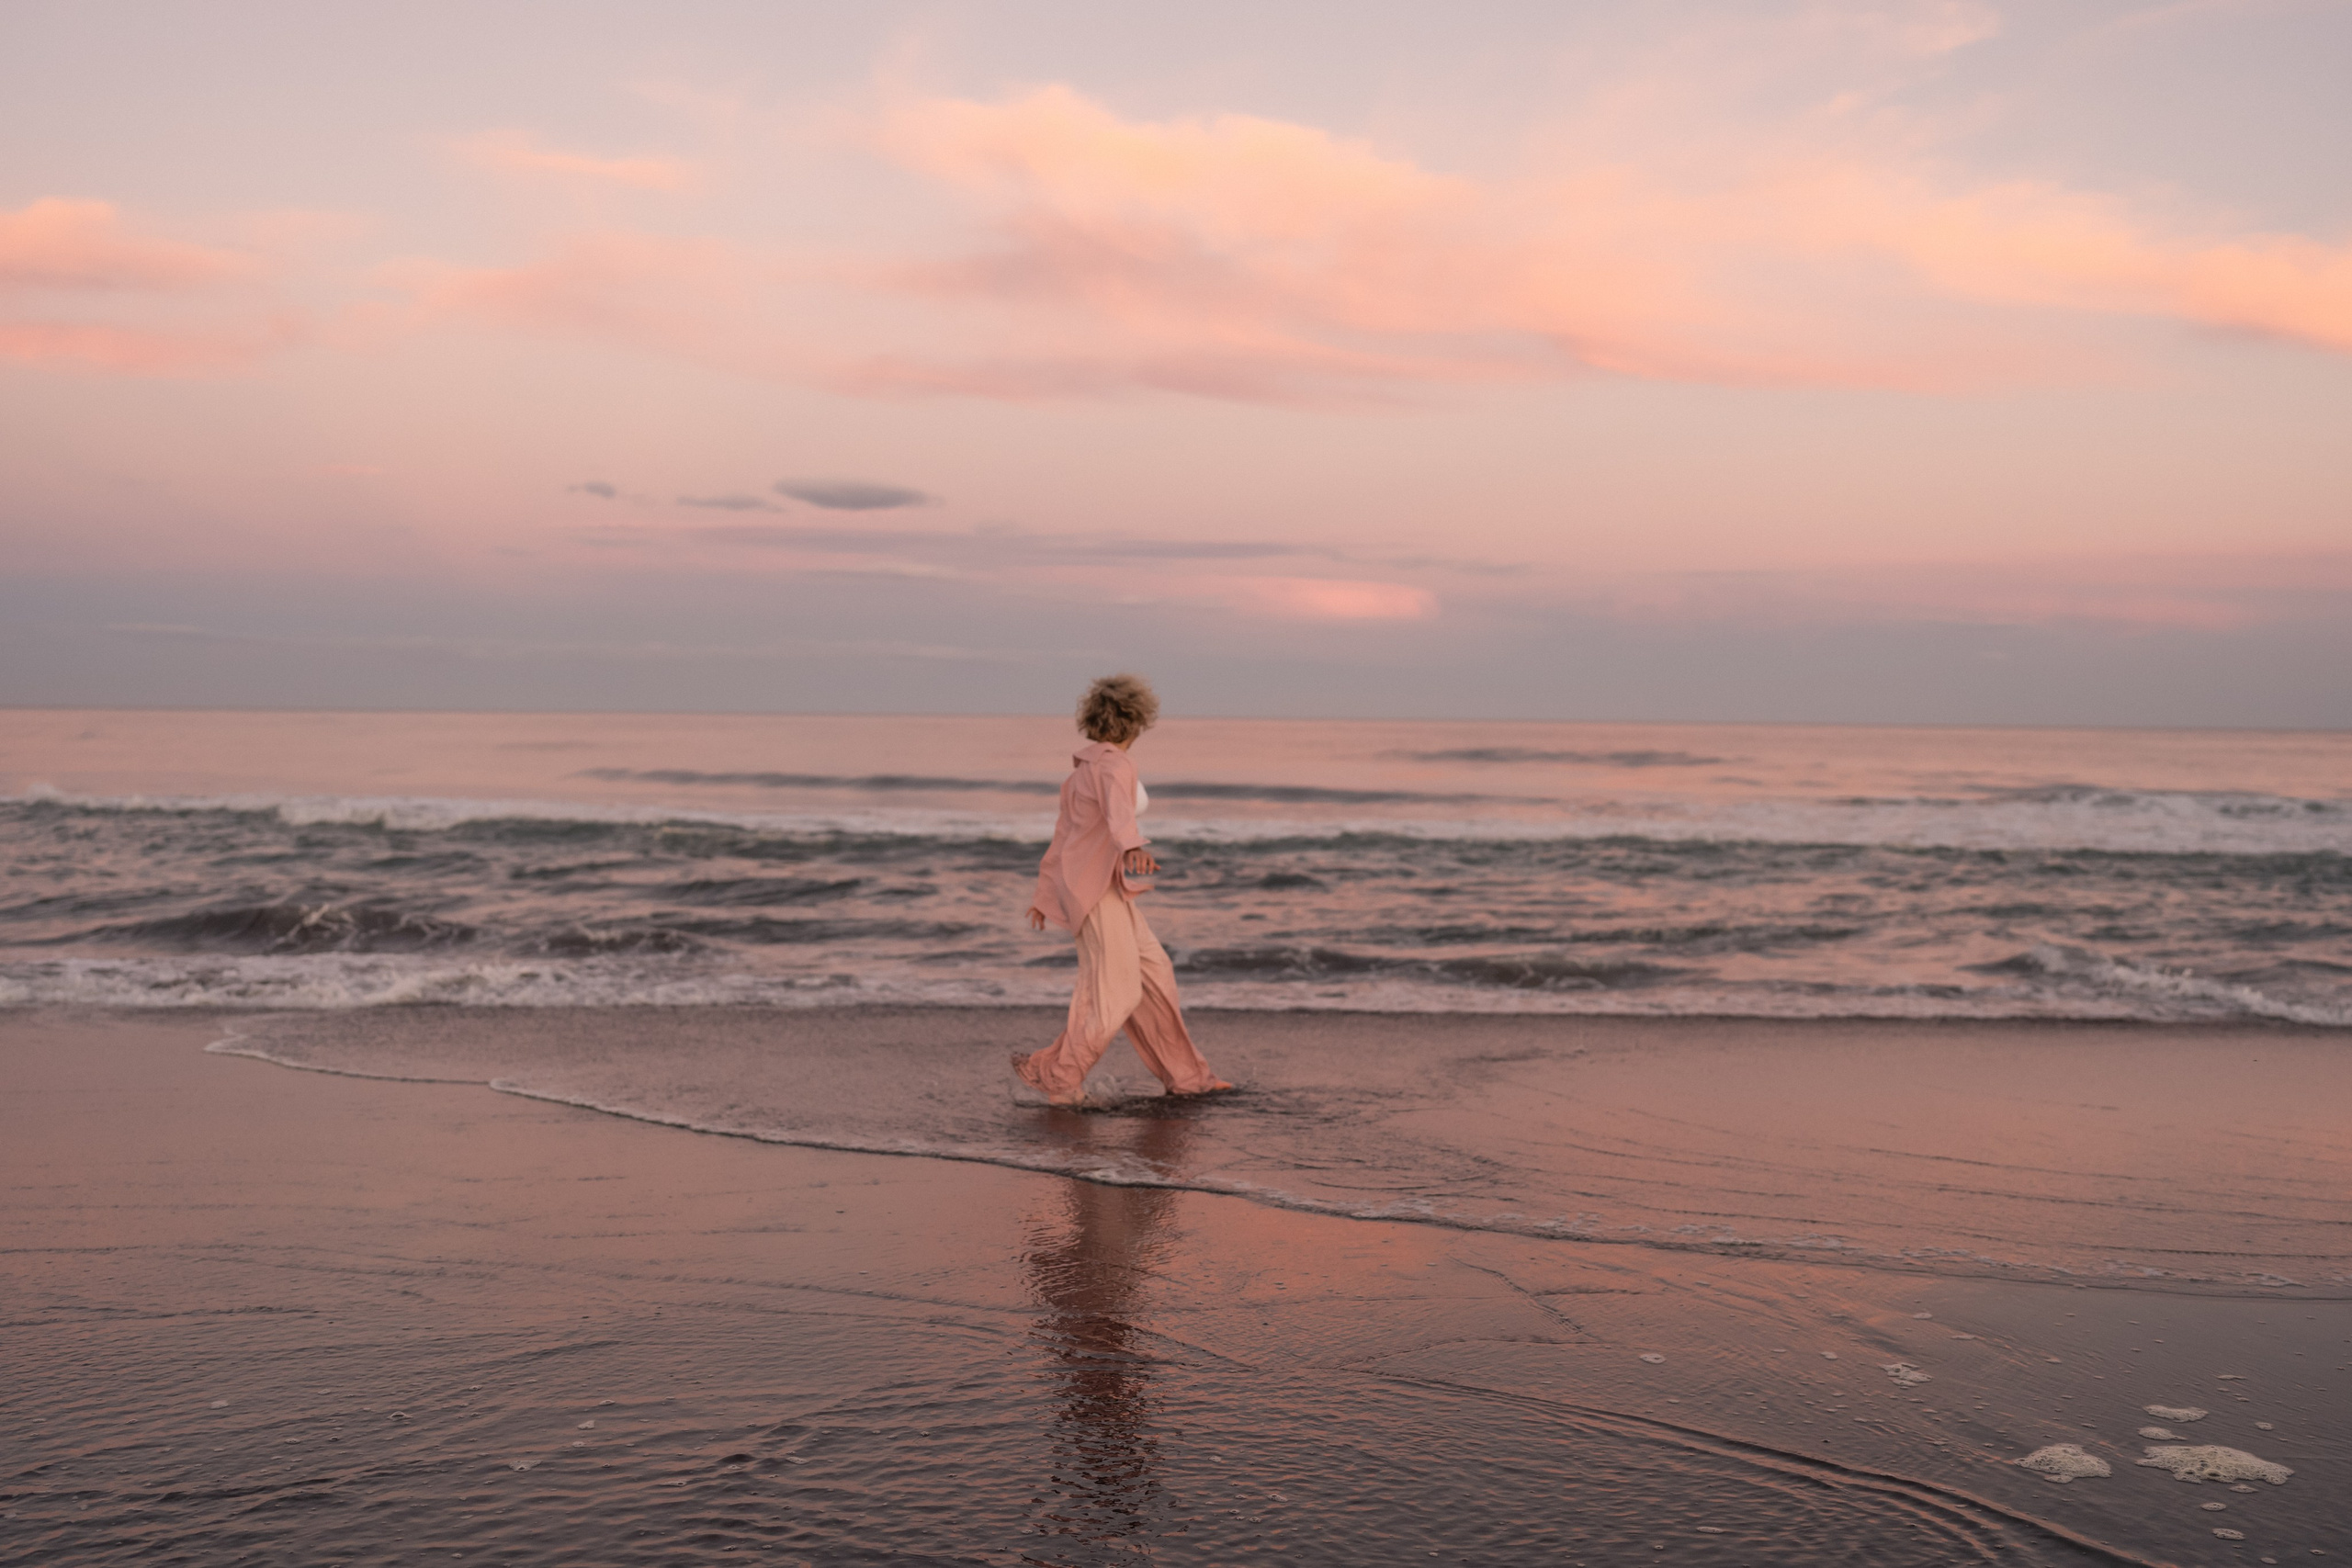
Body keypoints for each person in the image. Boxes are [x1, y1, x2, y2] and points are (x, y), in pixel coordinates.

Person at [1012, 673, 1233, 1107]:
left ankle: (1188, 1077)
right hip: (1095, 892)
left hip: (1102, 888)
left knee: (1154, 973)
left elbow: (1063, 838)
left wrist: (1043, 894)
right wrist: (1131, 845)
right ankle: (1059, 1078)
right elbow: (1118, 815)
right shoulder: (1114, 764)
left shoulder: (1082, 771)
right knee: (1116, 994)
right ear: (1137, 719)